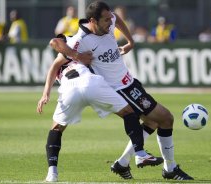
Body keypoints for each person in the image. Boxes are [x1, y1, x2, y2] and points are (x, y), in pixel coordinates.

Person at [59, 1, 193, 180]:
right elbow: (56, 44)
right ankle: (170, 169)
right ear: (93, 20)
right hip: (119, 89)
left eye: (109, 18)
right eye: (106, 20)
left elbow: (117, 19)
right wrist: (77, 56)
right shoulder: (80, 40)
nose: (110, 22)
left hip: (130, 83)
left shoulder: (109, 22)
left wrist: (130, 41)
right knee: (166, 118)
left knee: (152, 122)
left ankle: (122, 163)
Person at [37, 36, 163, 182]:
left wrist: (45, 93)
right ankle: (140, 153)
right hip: (92, 83)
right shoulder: (80, 49)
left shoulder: (65, 56)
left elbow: (53, 66)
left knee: (56, 129)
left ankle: (52, 173)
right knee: (129, 113)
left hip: (70, 89)